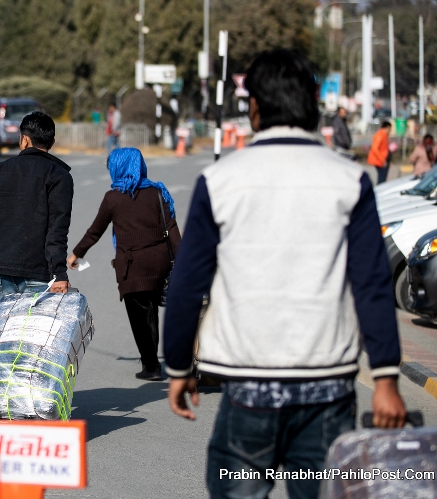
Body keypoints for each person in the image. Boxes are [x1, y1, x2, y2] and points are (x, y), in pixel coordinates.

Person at [163, 49, 407, 499]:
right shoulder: (349, 180)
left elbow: (186, 284)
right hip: (329, 389)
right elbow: (371, 283)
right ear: (314, 105)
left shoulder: (220, 181)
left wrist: (179, 367)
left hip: (246, 388)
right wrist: (387, 379)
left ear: (253, 107)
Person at [67, 147, 180, 380]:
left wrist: (76, 254)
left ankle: (151, 366)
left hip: (132, 267)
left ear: (118, 168)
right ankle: (153, 361)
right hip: (160, 264)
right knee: (151, 314)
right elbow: (173, 231)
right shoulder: (158, 193)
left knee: (141, 317)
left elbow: (95, 231)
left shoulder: (113, 198)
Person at [0, 111, 73, 314]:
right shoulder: (59, 176)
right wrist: (59, 274)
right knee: (32, 340)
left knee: (4, 337)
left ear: (24, 140)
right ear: (52, 142)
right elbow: (57, 229)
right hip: (36, 272)